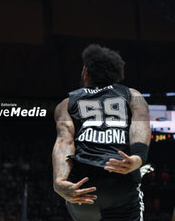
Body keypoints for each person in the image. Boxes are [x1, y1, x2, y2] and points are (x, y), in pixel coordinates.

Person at [52, 44, 151, 221]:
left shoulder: (66, 103)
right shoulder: (132, 94)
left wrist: (59, 181)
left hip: (82, 185)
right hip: (119, 181)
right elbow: (141, 123)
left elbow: (64, 142)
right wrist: (138, 157)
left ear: (86, 73)